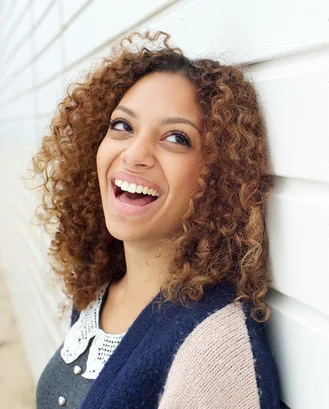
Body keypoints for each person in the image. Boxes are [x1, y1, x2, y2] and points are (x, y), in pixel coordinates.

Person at [32, 31, 280, 408]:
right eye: (122, 126)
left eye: (177, 138)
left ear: (216, 175)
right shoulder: (97, 291)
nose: (135, 154)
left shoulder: (213, 344)